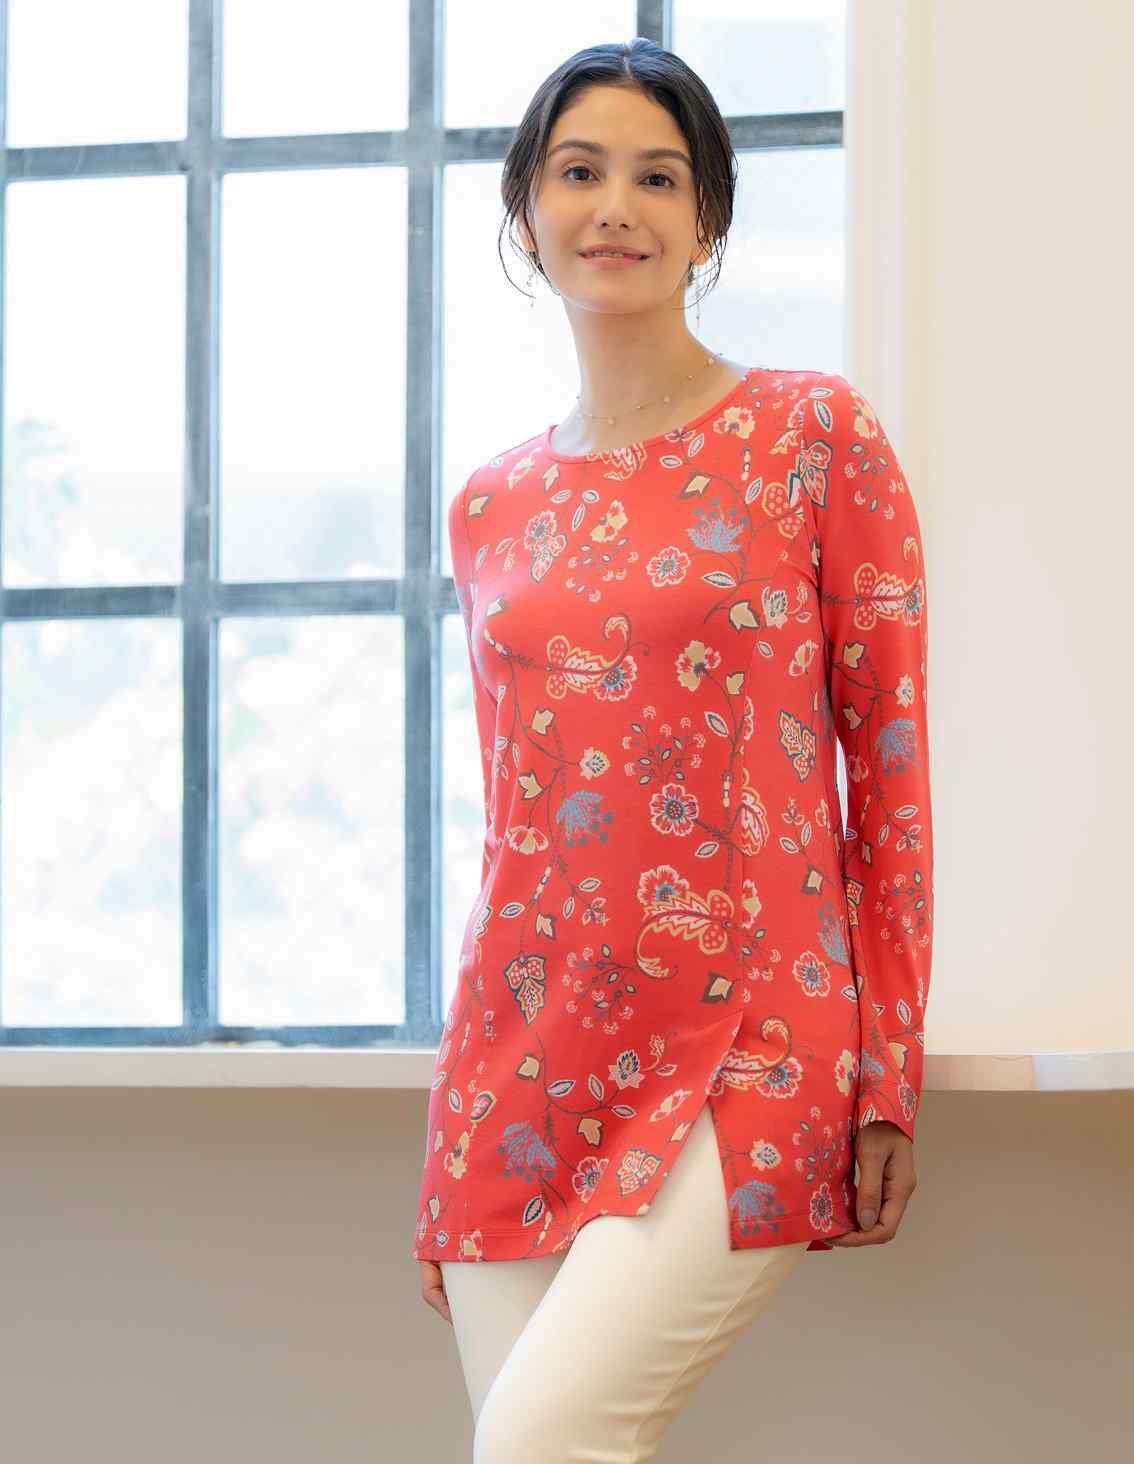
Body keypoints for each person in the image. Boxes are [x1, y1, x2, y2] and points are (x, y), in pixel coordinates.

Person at [414, 37, 934, 1462]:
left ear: (707, 220)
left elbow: (888, 776)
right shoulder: (491, 504)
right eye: (578, 172)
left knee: (539, 1446)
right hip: (525, 1057)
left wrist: (886, 1070)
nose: (615, 207)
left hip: (750, 1038)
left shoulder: (811, 436)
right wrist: (457, 1110)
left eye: (658, 178)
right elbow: (517, 825)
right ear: (526, 209)